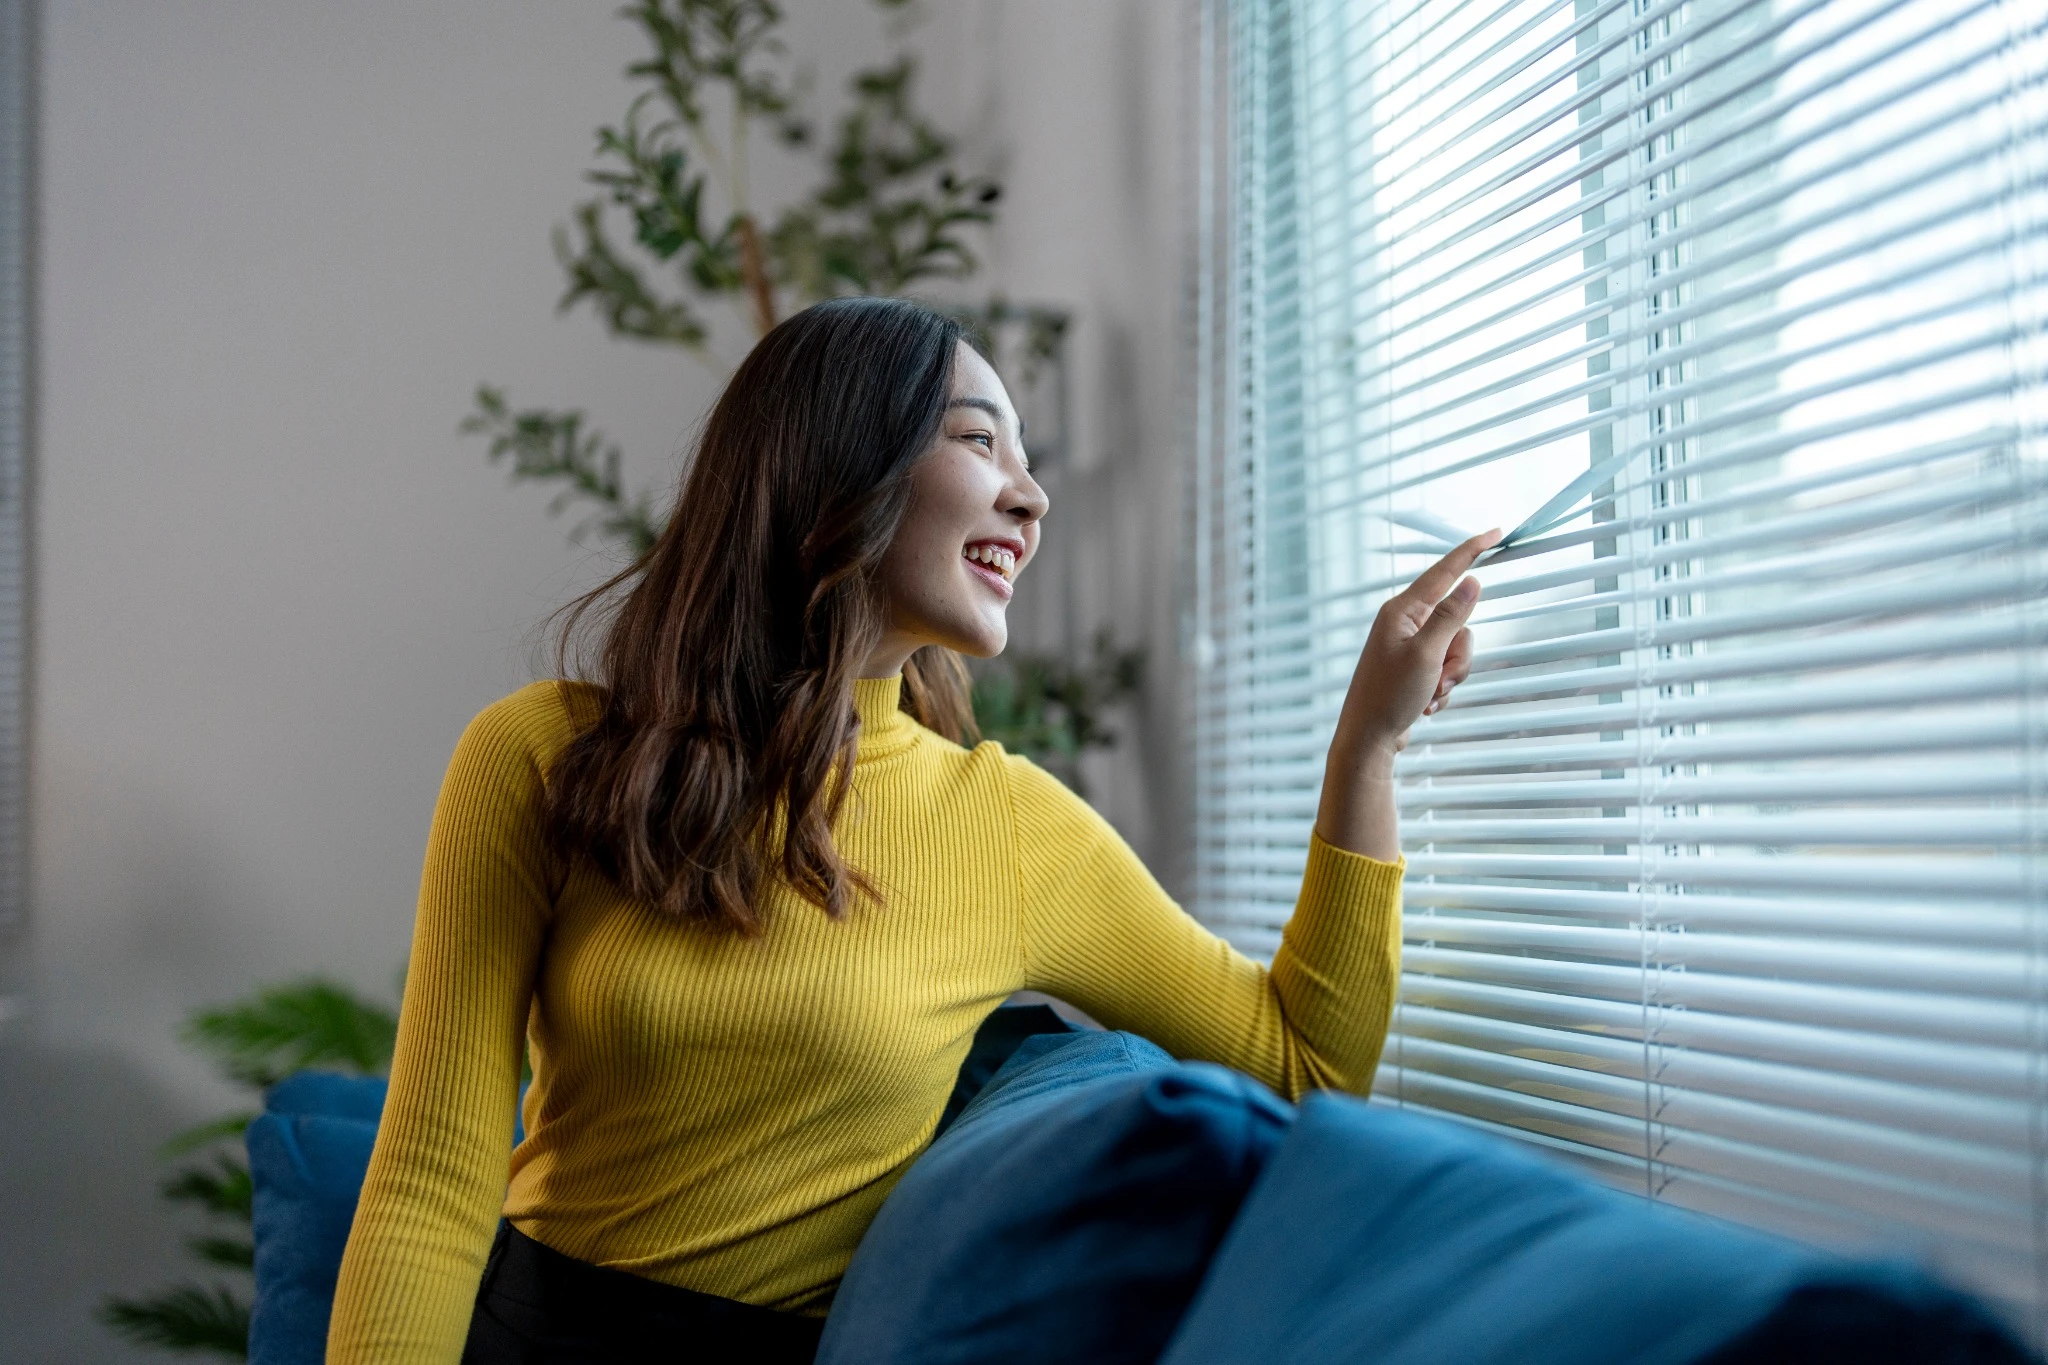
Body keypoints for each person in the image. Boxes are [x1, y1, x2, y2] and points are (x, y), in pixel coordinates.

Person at [327, 297, 1496, 1364]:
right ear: (836, 465)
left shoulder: (1010, 827)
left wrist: (1366, 754)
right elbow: (433, 1179)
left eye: (1028, 462)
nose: (1030, 498)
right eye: (979, 441)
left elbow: (1301, 1060)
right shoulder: (539, 753)